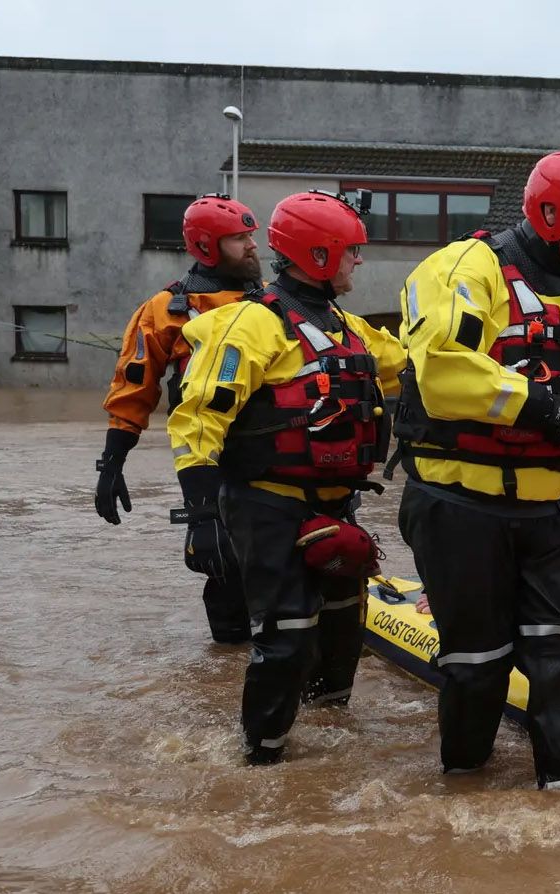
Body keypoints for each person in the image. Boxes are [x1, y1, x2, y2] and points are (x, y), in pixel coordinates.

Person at [390, 148, 560, 790]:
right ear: (550, 214)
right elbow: (444, 371)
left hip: (550, 509)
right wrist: (547, 406)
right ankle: (465, 782)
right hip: (459, 505)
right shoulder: (463, 270)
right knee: (478, 662)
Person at [168, 189, 403, 765]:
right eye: (351, 251)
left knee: (344, 631)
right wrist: (201, 518)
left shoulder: (347, 326)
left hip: (335, 507)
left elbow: (412, 361)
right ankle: (261, 758)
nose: (359, 261)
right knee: (288, 635)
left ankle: (329, 745)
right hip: (267, 505)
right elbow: (198, 417)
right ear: (319, 254)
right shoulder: (252, 324)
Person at [95, 193, 260, 644]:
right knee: (225, 566)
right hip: (213, 458)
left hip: (279, 451)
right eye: (238, 239)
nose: (252, 246)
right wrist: (112, 464)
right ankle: (227, 667)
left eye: (251, 235)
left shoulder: (278, 302)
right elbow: (133, 387)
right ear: (207, 246)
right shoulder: (166, 310)